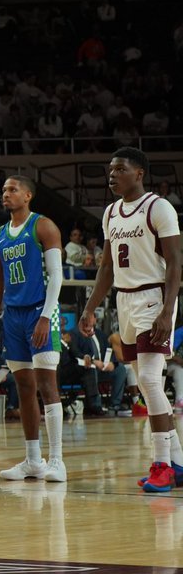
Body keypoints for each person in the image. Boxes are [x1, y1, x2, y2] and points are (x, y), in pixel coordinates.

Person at [81, 147, 182, 493]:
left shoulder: (159, 207)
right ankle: (179, 462)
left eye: (119, 169)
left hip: (153, 297)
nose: (112, 175)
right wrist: (91, 307)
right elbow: (107, 267)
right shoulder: (110, 212)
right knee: (143, 383)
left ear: (139, 173)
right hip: (123, 301)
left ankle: (162, 465)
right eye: (110, 170)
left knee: (152, 382)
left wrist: (169, 310)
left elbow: (175, 261)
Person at [0, 176, 68, 483]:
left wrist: (47, 316)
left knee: (47, 384)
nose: (6, 194)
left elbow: (57, 276)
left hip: (40, 310)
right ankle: (33, 461)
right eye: (4, 190)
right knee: (23, 387)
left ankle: (57, 460)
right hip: (13, 315)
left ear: (28, 195)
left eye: (12, 190)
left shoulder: (43, 226)